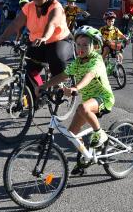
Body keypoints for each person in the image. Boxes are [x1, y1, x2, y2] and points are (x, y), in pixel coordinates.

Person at [42, 25, 114, 175]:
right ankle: (87, 156)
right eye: (78, 45)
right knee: (72, 133)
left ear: (94, 46)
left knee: (83, 108)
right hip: (89, 100)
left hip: (103, 98)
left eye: (85, 45)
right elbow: (63, 76)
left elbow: (90, 75)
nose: (80, 48)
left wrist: (75, 88)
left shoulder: (96, 60)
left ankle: (100, 134)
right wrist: (44, 86)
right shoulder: (77, 62)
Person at [0, 0, 74, 100]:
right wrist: (2, 37)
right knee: (29, 71)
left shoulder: (55, 6)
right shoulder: (29, 7)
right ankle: (36, 97)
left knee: (56, 57)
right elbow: (16, 23)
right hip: (38, 41)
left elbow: (51, 24)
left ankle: (58, 84)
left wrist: (44, 37)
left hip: (59, 40)